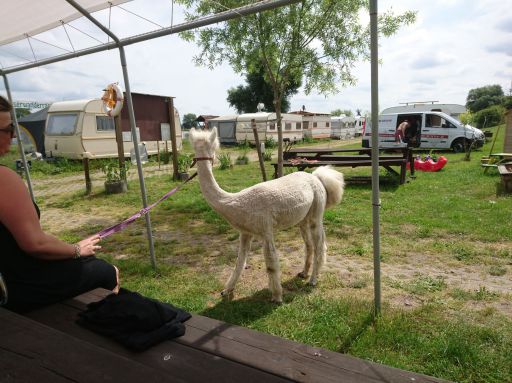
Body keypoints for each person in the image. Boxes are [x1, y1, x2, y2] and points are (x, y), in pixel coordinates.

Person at [0, 95, 119, 313]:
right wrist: (76, 250)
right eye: (8, 129)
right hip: (15, 289)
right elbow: (35, 244)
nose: (13, 135)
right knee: (107, 271)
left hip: (9, 280)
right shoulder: (3, 179)